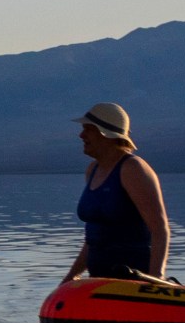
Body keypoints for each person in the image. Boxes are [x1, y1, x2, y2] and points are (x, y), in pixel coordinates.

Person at [61, 102, 171, 282]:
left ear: (106, 134)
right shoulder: (92, 170)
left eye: (88, 129)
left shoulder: (133, 169)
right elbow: (93, 238)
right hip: (99, 281)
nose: (81, 135)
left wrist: (156, 279)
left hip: (133, 281)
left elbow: (160, 230)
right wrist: (72, 276)